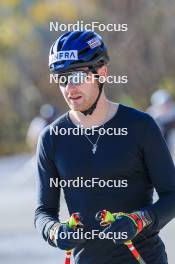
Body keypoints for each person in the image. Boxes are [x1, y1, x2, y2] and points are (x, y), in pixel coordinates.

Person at [34, 31, 175, 264]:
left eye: (77, 76)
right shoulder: (51, 138)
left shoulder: (141, 126)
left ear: (102, 73)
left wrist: (139, 220)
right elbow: (43, 212)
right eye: (61, 78)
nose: (69, 88)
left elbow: (172, 195)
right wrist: (54, 231)